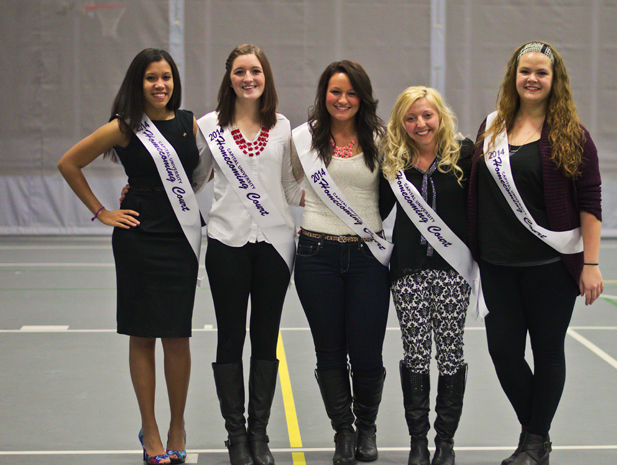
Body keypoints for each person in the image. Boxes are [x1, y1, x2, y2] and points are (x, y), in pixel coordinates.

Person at [58, 48, 209, 464]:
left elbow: (199, 175)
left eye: (166, 77)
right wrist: (101, 211)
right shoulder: (124, 127)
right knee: (142, 335)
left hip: (180, 237)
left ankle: (178, 424)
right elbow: (69, 163)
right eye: (150, 78)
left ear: (174, 81)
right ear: (137, 83)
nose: (160, 85)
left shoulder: (188, 123)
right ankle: (152, 430)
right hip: (139, 238)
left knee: (178, 335)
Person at [467, 42, 604, 465]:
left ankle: (533, 442)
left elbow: (590, 200)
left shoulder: (572, 135)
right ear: (514, 76)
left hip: (550, 267)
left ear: (554, 80)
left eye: (541, 73)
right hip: (496, 265)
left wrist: (592, 264)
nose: (532, 79)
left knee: (547, 352)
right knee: (503, 352)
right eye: (525, 71)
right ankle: (537, 436)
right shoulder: (490, 128)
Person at [195, 44, 304, 465]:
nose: (248, 78)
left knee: (265, 338)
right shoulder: (210, 126)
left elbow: (291, 185)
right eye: (240, 71)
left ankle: (259, 435)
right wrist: (147, 192)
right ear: (230, 77)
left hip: (275, 248)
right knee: (229, 338)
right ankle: (235, 436)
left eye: (255, 71)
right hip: (226, 244)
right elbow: (192, 180)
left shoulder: (282, 126)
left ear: (265, 76)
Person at [290, 60, 390, 465]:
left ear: (362, 97)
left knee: (367, 352)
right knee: (328, 351)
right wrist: (311, 205)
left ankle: (367, 428)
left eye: (351, 93)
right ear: (323, 95)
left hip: (368, 256)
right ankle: (343, 434)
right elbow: (281, 181)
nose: (343, 100)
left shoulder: (382, 137)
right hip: (316, 255)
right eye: (335, 92)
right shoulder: (305, 139)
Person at [380, 86, 474, 465]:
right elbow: (377, 207)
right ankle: (418, 440)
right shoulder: (394, 162)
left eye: (427, 116)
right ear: (401, 123)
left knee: (450, 355)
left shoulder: (465, 155)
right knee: (415, 355)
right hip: (408, 273)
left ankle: (445, 442)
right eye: (411, 117)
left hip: (453, 272)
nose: (420, 123)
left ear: (440, 116)